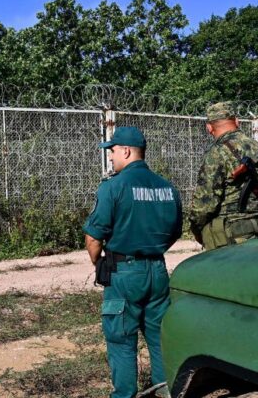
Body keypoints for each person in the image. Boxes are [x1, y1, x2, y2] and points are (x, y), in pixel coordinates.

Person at [83, 126, 182, 398]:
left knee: (121, 339)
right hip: (158, 271)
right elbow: (175, 231)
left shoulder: (113, 186)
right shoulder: (167, 188)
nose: (111, 157)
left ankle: (124, 395)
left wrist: (99, 263)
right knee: (159, 337)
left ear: (126, 150)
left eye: (112, 151)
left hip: (124, 273)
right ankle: (165, 391)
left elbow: (93, 237)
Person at [188, 102, 258, 250]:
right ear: (237, 121)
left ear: (209, 128)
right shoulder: (255, 146)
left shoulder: (216, 153)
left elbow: (205, 204)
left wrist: (197, 229)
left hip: (232, 235)